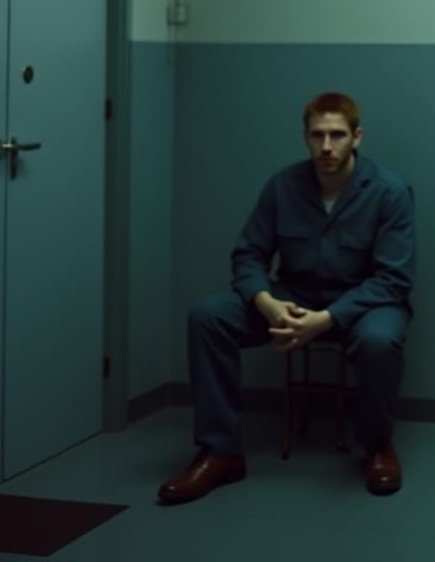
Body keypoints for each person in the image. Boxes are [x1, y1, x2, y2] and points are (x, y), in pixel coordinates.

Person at [158, 91, 415, 503]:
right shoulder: (283, 186)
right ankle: (220, 451)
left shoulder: (390, 191)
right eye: (317, 135)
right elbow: (249, 255)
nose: (326, 146)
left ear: (357, 137)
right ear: (305, 137)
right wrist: (266, 302)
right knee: (208, 316)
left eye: (337, 135)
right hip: (291, 296)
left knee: (379, 341)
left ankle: (377, 445)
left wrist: (327, 318)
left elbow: (393, 279)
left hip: (365, 303)